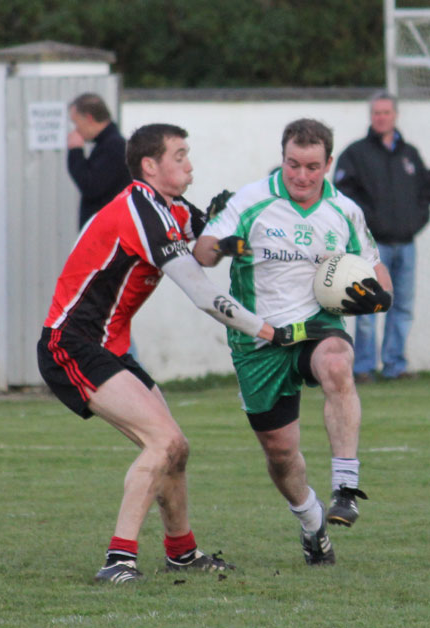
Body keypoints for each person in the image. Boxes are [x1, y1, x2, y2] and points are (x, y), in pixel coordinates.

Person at [37, 123, 331, 584]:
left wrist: (272, 234)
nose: (190, 164)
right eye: (180, 155)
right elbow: (199, 291)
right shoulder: (139, 208)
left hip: (107, 347)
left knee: (178, 449)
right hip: (70, 343)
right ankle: (118, 561)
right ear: (150, 166)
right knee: (163, 443)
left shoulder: (170, 207)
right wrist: (269, 331)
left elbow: (211, 244)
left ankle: (182, 553)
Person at [194, 118, 393, 566]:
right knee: (281, 454)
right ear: (282, 157)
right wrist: (224, 245)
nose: (302, 176)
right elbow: (201, 253)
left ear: (329, 164)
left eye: (312, 166)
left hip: (318, 325)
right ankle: (312, 522)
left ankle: (346, 487)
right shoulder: (250, 201)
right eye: (292, 165)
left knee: (338, 364)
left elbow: (378, 273)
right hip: (258, 340)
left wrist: (379, 300)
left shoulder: (345, 211)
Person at [334, 91, 430, 382]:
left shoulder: (410, 154)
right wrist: (370, 225)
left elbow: (425, 193)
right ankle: (363, 368)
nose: (381, 117)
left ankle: (394, 366)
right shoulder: (355, 154)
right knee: (367, 307)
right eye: (376, 113)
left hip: (406, 245)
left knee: (401, 306)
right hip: (371, 249)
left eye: (386, 112)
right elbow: (343, 196)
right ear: (370, 116)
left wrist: (414, 223)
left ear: (395, 115)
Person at [67, 92, 131, 229]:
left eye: (76, 123)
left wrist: (75, 151)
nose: (76, 129)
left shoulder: (113, 146)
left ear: (89, 118)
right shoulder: (107, 144)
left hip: (107, 232)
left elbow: (91, 186)